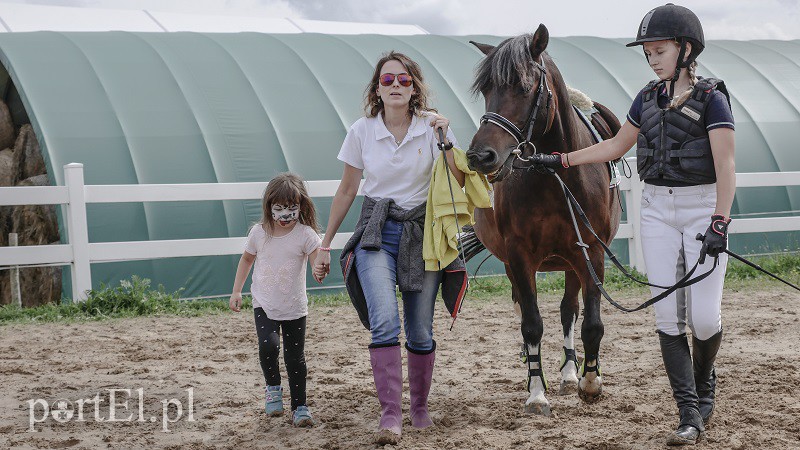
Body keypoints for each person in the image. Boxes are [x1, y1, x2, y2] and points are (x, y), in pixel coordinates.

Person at [533, 4, 734, 446]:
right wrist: (562, 159)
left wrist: (720, 221)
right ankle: (688, 412)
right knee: (667, 316)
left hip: (702, 208)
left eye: (660, 51)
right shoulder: (646, 98)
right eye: (648, 53)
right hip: (658, 209)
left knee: (704, 319)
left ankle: (704, 383)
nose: (652, 59)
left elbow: (726, 165)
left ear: (686, 49)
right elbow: (615, 145)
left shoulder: (712, 98)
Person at [312, 51, 468, 445]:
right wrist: (325, 244)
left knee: (420, 331)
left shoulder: (433, 128)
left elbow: (459, 180)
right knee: (384, 321)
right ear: (377, 89)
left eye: (403, 80)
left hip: (422, 236)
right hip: (376, 233)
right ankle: (390, 414)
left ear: (414, 88)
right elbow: (347, 189)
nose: (395, 85)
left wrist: (446, 139)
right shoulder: (361, 131)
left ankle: (419, 407)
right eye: (387, 80)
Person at [229, 172, 323, 428]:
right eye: (279, 208)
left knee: (295, 358)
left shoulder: (306, 235)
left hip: (294, 306)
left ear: (301, 206)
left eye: (292, 208)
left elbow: (316, 259)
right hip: (264, 303)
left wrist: (319, 268)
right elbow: (247, 259)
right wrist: (237, 291)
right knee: (268, 346)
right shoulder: (258, 233)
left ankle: (300, 407)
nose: (285, 215)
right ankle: (273, 388)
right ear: (269, 206)